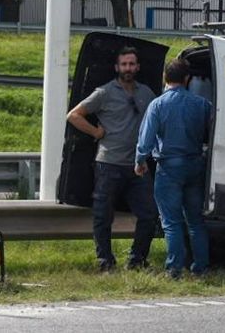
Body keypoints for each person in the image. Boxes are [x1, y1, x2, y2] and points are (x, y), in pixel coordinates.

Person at [66, 46, 158, 271]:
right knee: (103, 216)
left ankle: (137, 260)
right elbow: (74, 115)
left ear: (137, 67)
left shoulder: (146, 93)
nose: (128, 68)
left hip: (138, 165)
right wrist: (96, 132)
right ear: (117, 67)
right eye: (124, 64)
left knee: (149, 214)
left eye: (131, 64)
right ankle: (105, 261)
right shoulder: (104, 92)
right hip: (108, 164)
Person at [135, 58, 212, 278]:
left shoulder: (158, 105)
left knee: (171, 221)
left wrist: (140, 161)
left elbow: (146, 138)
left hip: (169, 167)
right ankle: (201, 267)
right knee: (196, 220)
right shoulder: (201, 104)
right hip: (195, 164)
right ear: (187, 78)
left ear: (164, 78)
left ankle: (175, 268)